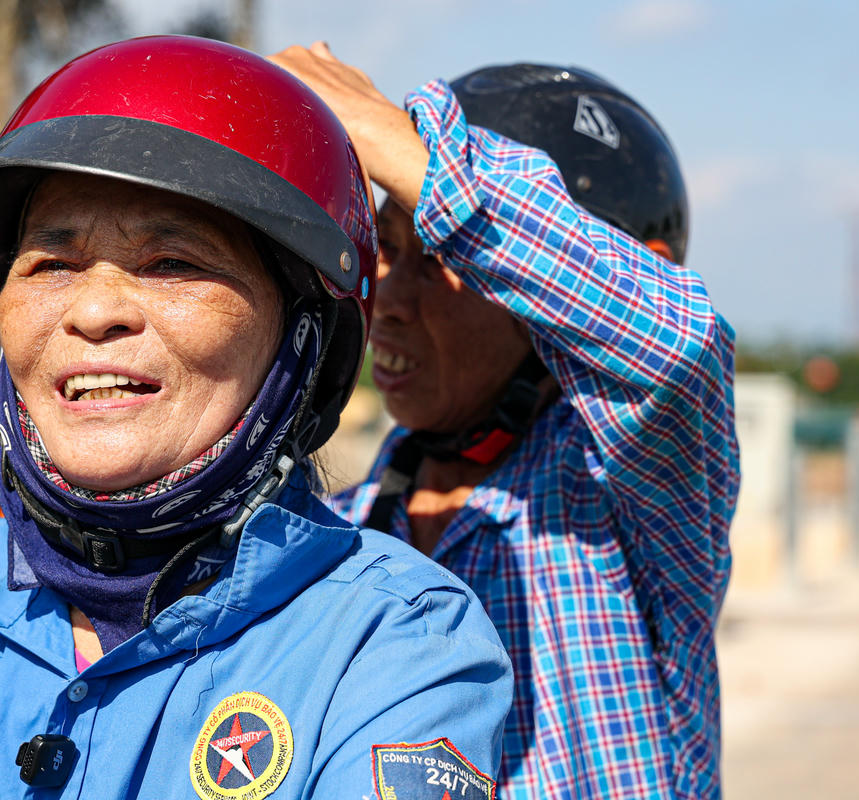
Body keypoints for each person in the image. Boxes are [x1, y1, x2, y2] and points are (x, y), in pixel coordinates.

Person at [0, 36, 513, 799]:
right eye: (52, 264)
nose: (93, 312)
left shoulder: (396, 645)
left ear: (305, 337)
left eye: (172, 264)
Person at [270, 44, 739, 800]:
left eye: (439, 259)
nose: (389, 300)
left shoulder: (625, 509)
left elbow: (678, 345)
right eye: (386, 251)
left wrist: (383, 134)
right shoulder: (338, 532)